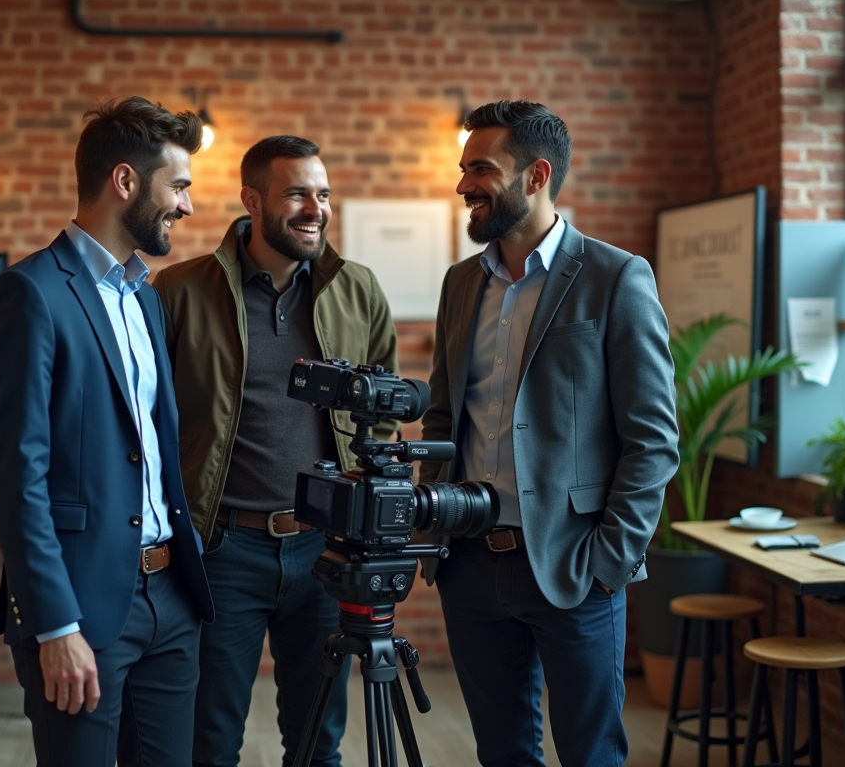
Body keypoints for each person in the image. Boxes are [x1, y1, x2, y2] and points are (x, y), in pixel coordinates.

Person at [419, 100, 680, 767]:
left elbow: (652, 439)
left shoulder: (615, 278)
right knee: (503, 753)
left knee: (590, 754)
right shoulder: (459, 285)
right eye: (464, 167)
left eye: (481, 168)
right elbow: (445, 418)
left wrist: (609, 560)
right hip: (472, 564)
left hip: (575, 567)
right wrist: (433, 532)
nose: (463, 185)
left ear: (536, 175)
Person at [0, 96, 215, 767]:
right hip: (79, 610)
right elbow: (15, 476)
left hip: (170, 597)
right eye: (181, 186)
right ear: (126, 183)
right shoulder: (29, 295)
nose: (189, 207)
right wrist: (55, 624)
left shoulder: (144, 294)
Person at [153, 135, 399, 767]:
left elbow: (383, 421)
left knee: (320, 742)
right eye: (297, 194)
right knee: (209, 743)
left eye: (322, 195)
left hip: (325, 549)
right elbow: (150, 423)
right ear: (252, 201)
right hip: (224, 550)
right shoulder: (180, 291)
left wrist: (371, 532)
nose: (315, 208)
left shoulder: (359, 290)